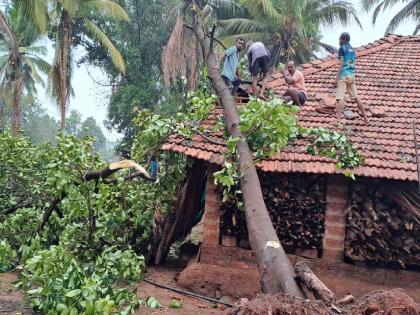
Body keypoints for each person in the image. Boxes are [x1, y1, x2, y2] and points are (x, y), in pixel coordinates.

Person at [334, 32, 369, 124]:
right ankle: (365, 118)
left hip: (344, 75)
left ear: (344, 39)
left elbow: (341, 63)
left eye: (340, 39)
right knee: (356, 97)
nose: (339, 41)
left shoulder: (342, 48)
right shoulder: (352, 50)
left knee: (339, 98)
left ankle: (337, 121)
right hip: (352, 75)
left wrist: (336, 77)